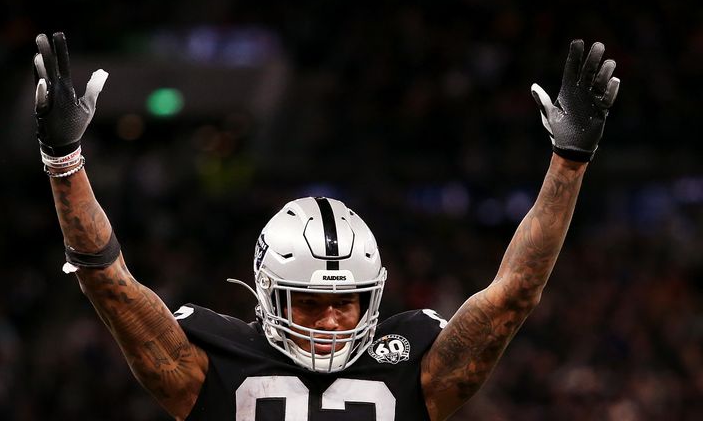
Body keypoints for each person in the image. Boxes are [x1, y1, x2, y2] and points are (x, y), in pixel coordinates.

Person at [32, 32, 620, 420]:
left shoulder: (416, 364)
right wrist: (63, 161)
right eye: (311, 302)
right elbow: (108, 281)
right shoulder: (209, 363)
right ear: (268, 293)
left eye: (349, 302)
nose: (333, 320)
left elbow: (516, 292)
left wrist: (569, 161)